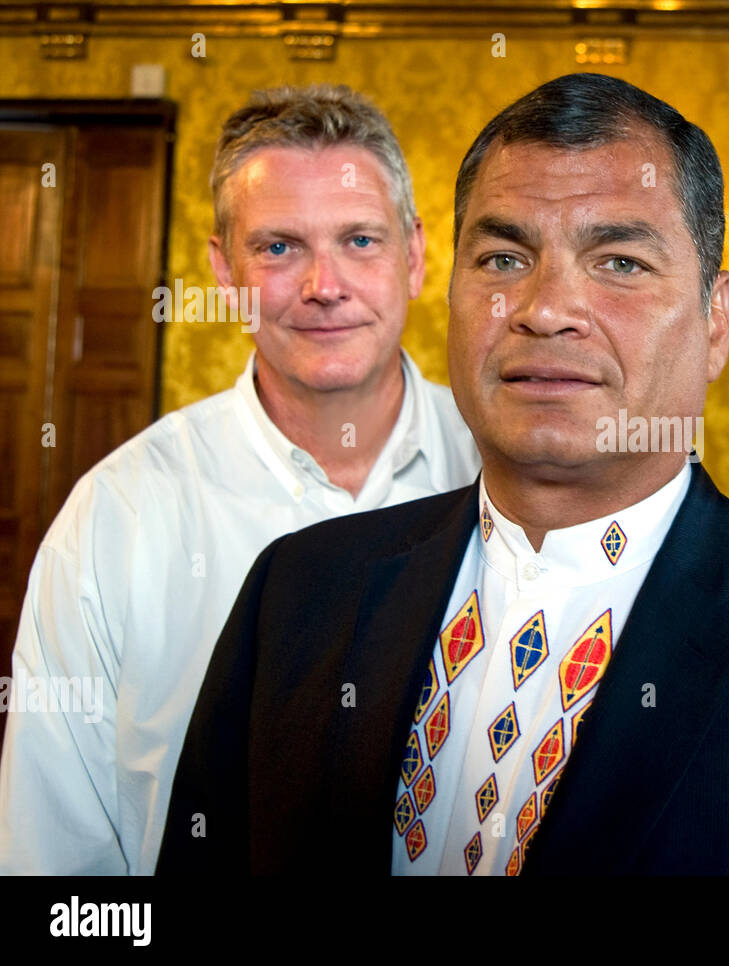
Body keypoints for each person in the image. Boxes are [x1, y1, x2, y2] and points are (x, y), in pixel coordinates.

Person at [156, 73, 729, 876]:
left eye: (620, 263)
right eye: (500, 259)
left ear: (717, 320)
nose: (547, 308)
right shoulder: (296, 593)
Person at [0, 85, 481, 874]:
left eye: (360, 240)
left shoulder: (515, 482)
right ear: (224, 270)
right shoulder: (116, 516)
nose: (325, 284)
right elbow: (52, 858)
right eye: (279, 248)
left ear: (416, 255)